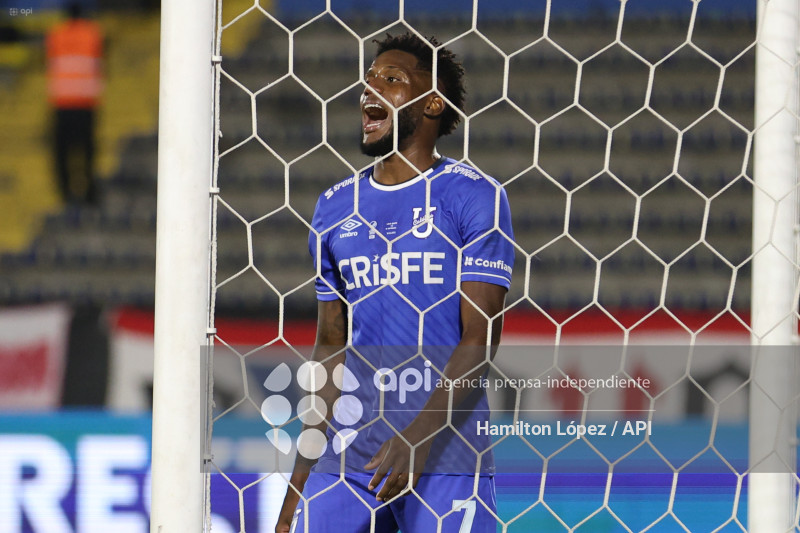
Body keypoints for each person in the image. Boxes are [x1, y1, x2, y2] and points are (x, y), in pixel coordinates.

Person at [276, 32, 515, 533]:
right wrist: (298, 485)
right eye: (369, 77)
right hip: (351, 455)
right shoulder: (334, 207)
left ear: (432, 103)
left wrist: (417, 438)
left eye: (392, 79)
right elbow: (331, 346)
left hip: (446, 452)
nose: (370, 88)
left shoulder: (473, 196)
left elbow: (481, 336)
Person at [45, 2, 103, 205]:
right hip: (86, 104)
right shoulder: (92, 34)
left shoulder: (56, 35)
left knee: (62, 153)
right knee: (87, 151)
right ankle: (90, 194)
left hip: (62, 104)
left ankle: (65, 194)